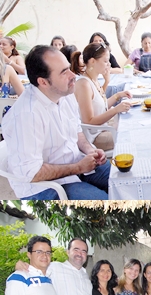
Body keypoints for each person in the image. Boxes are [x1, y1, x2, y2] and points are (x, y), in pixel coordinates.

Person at [2, 45, 110, 200]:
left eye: (68, 68)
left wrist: (89, 150)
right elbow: (31, 173)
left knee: (123, 180)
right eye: (64, 72)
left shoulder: (65, 93)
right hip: (42, 187)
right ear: (43, 82)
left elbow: (76, 130)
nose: (73, 75)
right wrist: (78, 167)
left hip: (75, 164)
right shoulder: (26, 115)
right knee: (103, 203)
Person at [71, 43, 131, 151]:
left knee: (129, 125)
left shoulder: (93, 79)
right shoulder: (84, 84)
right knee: (129, 136)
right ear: (93, 61)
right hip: (93, 138)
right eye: (105, 61)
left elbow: (101, 107)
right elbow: (89, 121)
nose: (109, 64)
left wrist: (118, 95)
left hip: (102, 129)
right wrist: (116, 110)